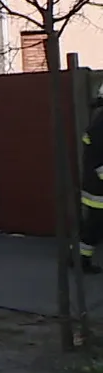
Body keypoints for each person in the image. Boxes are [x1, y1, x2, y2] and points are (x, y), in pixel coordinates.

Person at [80, 87, 103, 274]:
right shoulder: (101, 124)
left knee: (93, 224)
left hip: (95, 185)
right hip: (99, 188)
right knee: (94, 225)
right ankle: (81, 260)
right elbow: (98, 158)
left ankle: (80, 258)